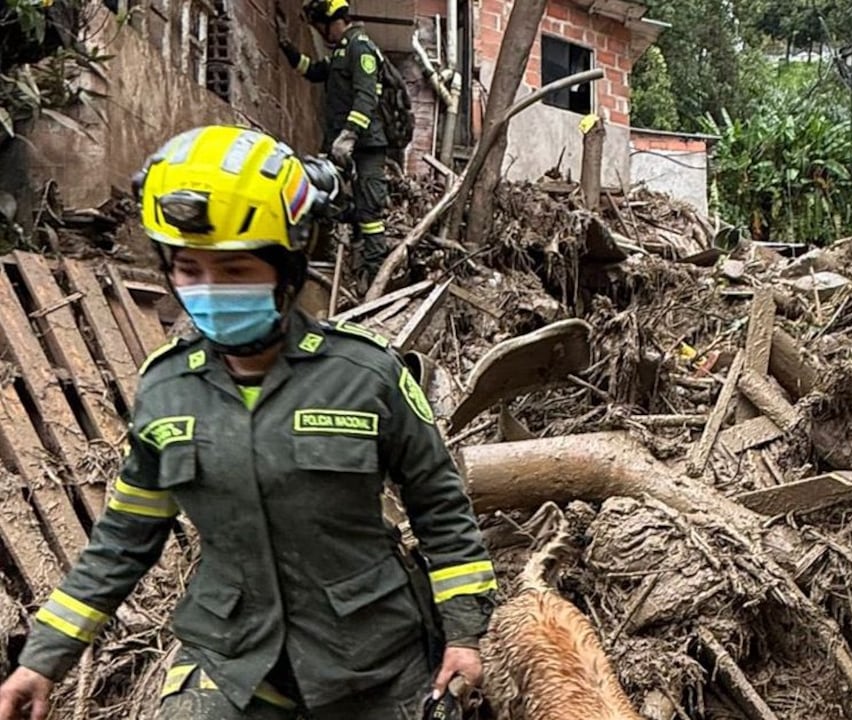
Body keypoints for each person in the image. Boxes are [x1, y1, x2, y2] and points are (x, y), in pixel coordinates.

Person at [0, 125, 496, 720]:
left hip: (374, 661)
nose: (210, 290)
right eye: (189, 269)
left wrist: (466, 635)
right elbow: (122, 542)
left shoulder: (366, 374)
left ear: (287, 268)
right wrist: (43, 658)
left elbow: (440, 505)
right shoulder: (166, 391)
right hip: (232, 660)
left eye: (235, 271)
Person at [278, 0, 390, 289]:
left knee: (369, 213)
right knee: (331, 200)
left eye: (318, 26)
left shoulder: (360, 47)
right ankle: (344, 267)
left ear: (330, 21)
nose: (319, 32)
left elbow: (366, 97)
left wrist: (350, 135)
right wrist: (287, 47)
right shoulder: (341, 50)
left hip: (365, 146)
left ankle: (377, 278)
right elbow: (314, 71)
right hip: (341, 146)